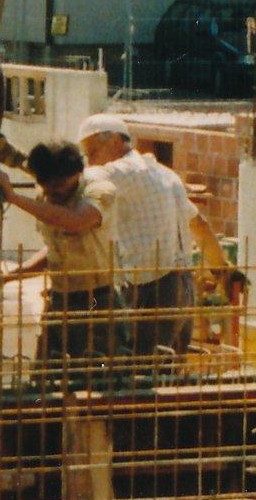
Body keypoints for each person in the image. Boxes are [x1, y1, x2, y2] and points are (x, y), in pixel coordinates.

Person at [76, 113, 241, 355]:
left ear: (115, 141)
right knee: (169, 366)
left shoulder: (117, 172)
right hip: (183, 288)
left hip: (151, 288)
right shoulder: (165, 174)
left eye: (92, 153)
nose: (90, 162)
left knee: (141, 367)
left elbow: (76, 182)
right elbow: (199, 225)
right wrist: (222, 269)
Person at [0, 139, 118, 371]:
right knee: (45, 379)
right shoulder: (49, 192)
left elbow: (75, 221)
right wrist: (8, 276)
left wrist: (14, 197)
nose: (52, 194)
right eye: (46, 187)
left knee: (91, 379)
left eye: (58, 186)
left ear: (77, 174)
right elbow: (56, 254)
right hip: (59, 300)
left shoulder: (99, 190)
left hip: (96, 302)